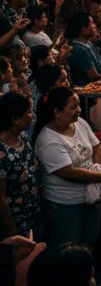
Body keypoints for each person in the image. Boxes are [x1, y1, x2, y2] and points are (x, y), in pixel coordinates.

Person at [34, 87, 101, 250]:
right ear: (57, 112)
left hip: (90, 198)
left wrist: (98, 168)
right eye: (73, 107)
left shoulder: (80, 123)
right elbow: (68, 172)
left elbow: (96, 147)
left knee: (89, 243)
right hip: (66, 205)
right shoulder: (48, 140)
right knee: (67, 249)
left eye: (78, 105)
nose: (79, 110)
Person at [0, 92, 38, 238]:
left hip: (32, 215)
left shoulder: (23, 137)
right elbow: (1, 199)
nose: (32, 115)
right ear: (15, 119)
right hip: (14, 223)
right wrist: (13, 233)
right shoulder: (2, 152)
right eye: (28, 112)